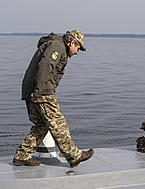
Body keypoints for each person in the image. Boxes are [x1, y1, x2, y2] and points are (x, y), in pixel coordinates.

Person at [13, 30, 94, 167]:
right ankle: (74, 156)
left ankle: (21, 155)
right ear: (72, 42)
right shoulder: (58, 47)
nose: (77, 52)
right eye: (78, 48)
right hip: (42, 91)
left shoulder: (56, 46)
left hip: (32, 89)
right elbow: (45, 65)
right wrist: (38, 92)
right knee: (58, 123)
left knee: (42, 125)